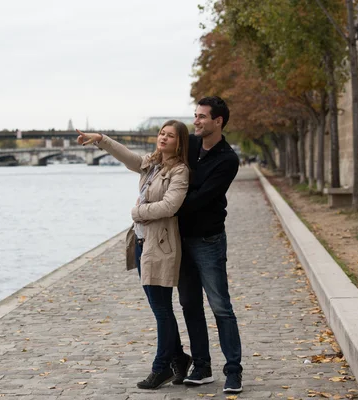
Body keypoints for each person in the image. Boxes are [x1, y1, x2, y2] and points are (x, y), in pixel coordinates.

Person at [76, 120, 192, 390]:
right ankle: (179, 357)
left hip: (160, 245)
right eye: (161, 133)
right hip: (141, 244)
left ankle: (160, 368)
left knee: (162, 310)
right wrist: (100, 139)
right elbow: (126, 156)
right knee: (158, 308)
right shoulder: (152, 164)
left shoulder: (180, 171)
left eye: (170, 136)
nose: (163, 138)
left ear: (179, 142)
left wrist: (138, 212)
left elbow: (171, 206)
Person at [175, 96, 243, 393]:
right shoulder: (189, 144)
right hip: (181, 239)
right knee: (189, 304)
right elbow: (156, 162)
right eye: (195, 115)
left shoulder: (227, 159)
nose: (197, 121)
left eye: (202, 116)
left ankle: (234, 370)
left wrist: (166, 205)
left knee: (220, 307)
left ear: (219, 121)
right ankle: (202, 366)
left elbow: (202, 199)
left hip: (208, 240)